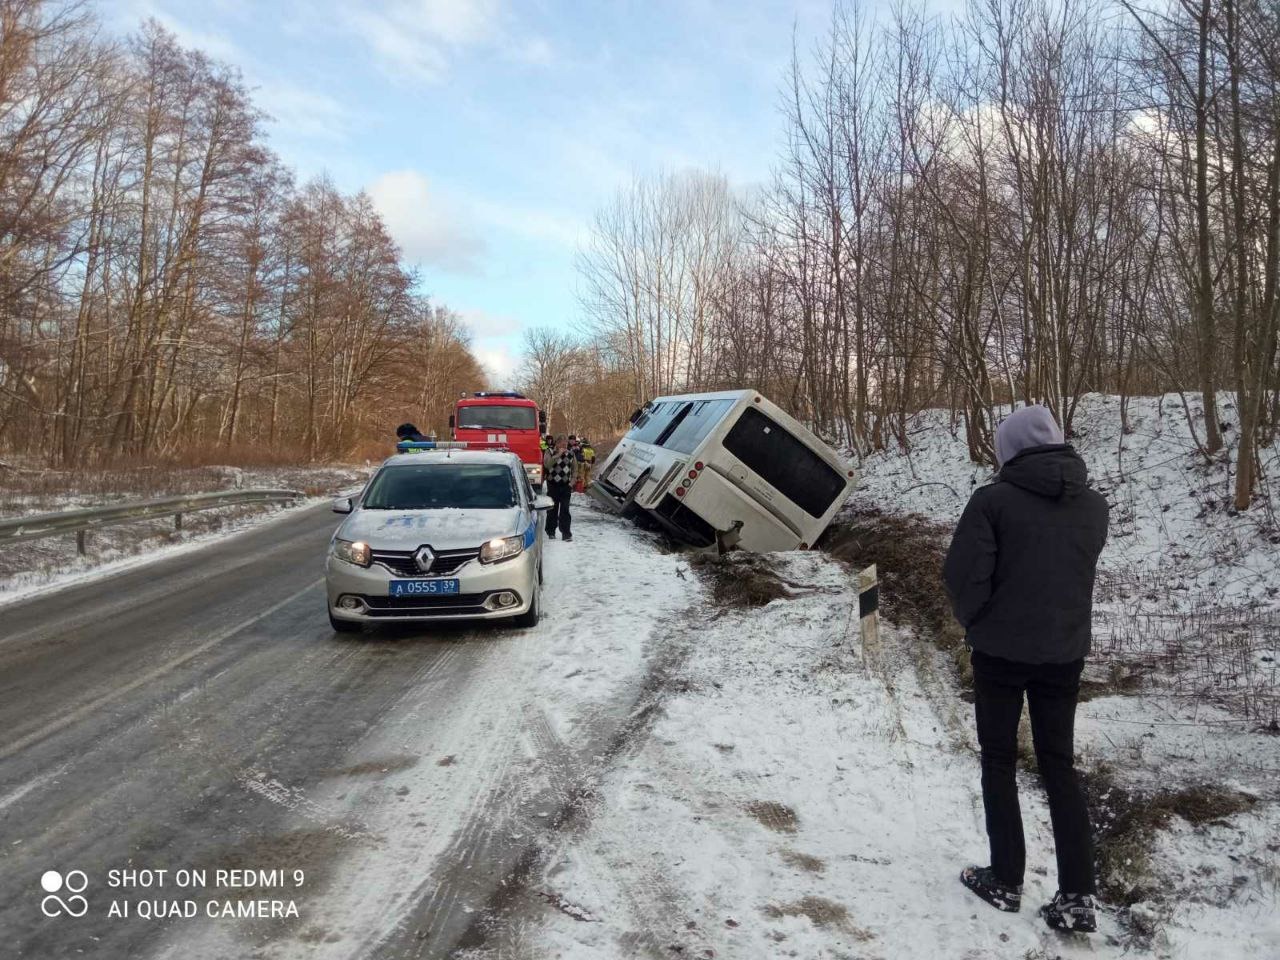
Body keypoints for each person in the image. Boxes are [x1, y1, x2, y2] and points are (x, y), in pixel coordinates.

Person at [943, 405, 1109, 933]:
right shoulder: (1095, 507)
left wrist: (977, 623)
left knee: (998, 759)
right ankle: (1078, 893)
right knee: (1059, 763)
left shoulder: (992, 502)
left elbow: (963, 576)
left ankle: (1006, 879)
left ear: (1009, 449)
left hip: (1000, 654)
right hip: (1064, 653)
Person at [543, 435, 577, 541]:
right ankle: (551, 531)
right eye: (562, 444)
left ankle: (566, 534)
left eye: (566, 444)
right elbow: (547, 465)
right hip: (553, 485)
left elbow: (575, 469)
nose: (564, 446)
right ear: (557, 444)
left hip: (566, 485)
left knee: (565, 510)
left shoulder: (571, 454)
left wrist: (572, 483)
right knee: (552, 509)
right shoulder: (549, 452)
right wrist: (558, 455)